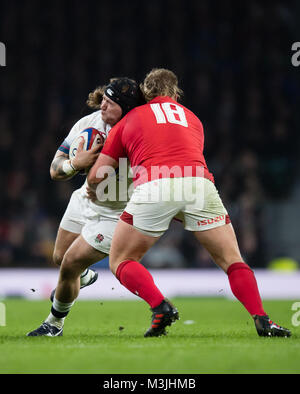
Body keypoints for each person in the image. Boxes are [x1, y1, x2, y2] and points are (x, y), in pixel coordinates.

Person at [87, 68, 291, 338]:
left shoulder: (129, 119)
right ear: (174, 93)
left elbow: (98, 176)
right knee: (233, 260)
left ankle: (161, 307)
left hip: (156, 185)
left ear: (145, 92)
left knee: (121, 260)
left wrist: (92, 187)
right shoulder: (193, 119)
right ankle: (262, 319)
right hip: (199, 184)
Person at [27, 77, 144, 337]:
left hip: (116, 212)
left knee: (69, 265)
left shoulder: (138, 132)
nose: (103, 106)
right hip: (85, 199)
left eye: (111, 103)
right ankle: (85, 277)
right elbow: (55, 169)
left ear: (125, 109)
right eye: (104, 99)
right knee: (60, 258)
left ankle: (53, 324)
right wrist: (74, 164)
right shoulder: (87, 124)